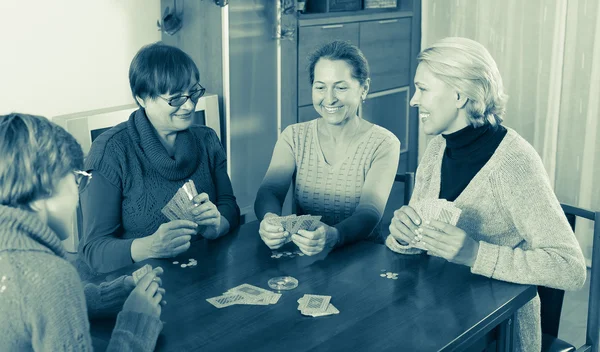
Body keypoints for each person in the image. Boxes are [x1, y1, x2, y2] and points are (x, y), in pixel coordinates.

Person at [386, 37, 587, 351]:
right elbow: (420, 240)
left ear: (459, 94)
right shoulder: (439, 145)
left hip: (498, 333)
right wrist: (403, 234)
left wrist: (475, 254)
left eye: (423, 89)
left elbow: (570, 268)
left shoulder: (515, 163)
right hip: (434, 313)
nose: (414, 100)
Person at [0, 113, 165, 351]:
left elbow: (27, 305)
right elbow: (45, 290)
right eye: (76, 179)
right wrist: (136, 323)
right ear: (43, 187)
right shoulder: (51, 277)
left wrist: (109, 296)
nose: (79, 194)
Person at [77, 43, 240, 276]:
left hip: (204, 274)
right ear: (142, 98)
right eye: (175, 99)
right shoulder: (110, 153)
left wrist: (218, 224)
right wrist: (149, 247)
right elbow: (93, 251)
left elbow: (229, 206)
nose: (190, 105)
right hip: (142, 287)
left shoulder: (207, 139)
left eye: (194, 92)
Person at [255, 40, 400, 256]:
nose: (329, 99)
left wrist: (334, 235)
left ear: (364, 88)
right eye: (320, 87)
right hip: (306, 256)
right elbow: (270, 191)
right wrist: (270, 219)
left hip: (363, 257)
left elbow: (370, 212)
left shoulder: (384, 143)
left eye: (341, 87)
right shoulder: (293, 136)